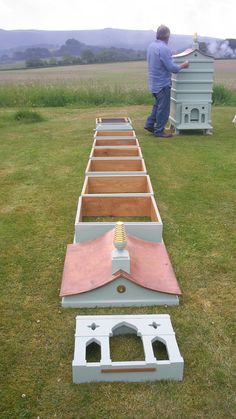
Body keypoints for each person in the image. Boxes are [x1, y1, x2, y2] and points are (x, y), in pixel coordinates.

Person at [145, 25, 189, 137]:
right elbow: (172, 68)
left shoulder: (151, 46)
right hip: (162, 84)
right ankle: (159, 131)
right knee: (163, 109)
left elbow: (162, 61)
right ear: (167, 36)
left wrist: (170, 57)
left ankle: (150, 124)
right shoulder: (164, 48)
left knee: (158, 105)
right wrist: (183, 65)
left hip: (153, 83)